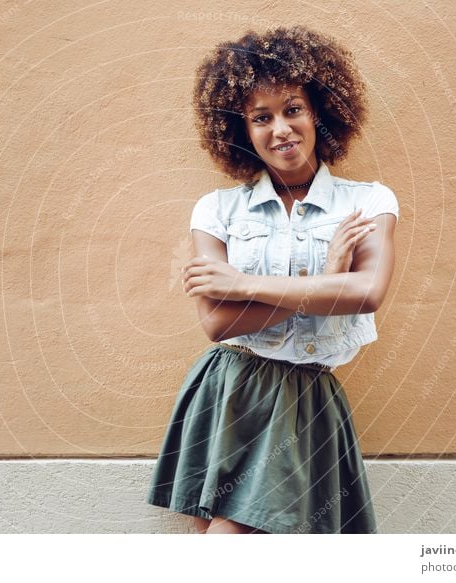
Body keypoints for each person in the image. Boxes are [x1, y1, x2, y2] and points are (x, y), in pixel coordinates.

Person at [146, 25, 398, 534]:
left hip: (307, 396)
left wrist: (242, 285)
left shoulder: (368, 201)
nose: (280, 128)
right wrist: (325, 284)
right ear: (243, 130)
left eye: (292, 109)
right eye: (261, 117)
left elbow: (366, 293)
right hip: (229, 386)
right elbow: (217, 325)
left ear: (321, 112)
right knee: (221, 535)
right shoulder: (217, 209)